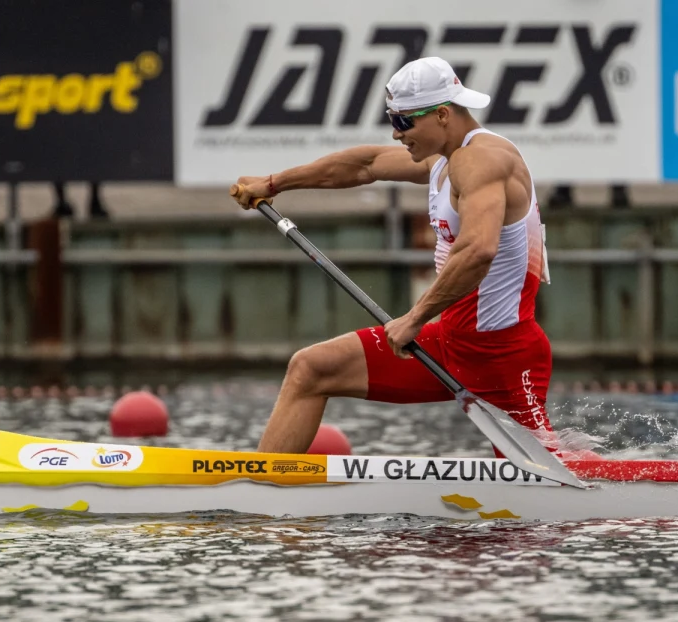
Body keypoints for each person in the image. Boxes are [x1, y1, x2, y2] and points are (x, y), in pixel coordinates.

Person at [230, 56, 555, 454]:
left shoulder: (484, 160)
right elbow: (364, 165)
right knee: (311, 368)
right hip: (452, 343)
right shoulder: (445, 160)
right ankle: (263, 491)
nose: (396, 132)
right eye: (392, 119)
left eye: (404, 122)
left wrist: (414, 318)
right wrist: (275, 183)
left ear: (441, 114)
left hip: (502, 357)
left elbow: (478, 251)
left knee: (547, 481)